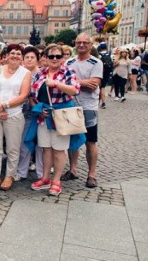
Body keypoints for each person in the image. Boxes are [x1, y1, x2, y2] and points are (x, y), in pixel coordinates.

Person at [29, 44, 81, 196]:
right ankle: (45, 178)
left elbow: (75, 90)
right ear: (45, 57)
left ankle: (56, 180)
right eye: (51, 56)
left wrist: (57, 84)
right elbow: (32, 95)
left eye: (58, 56)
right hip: (44, 116)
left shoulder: (68, 72)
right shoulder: (40, 73)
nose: (54, 59)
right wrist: (38, 109)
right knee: (46, 148)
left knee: (59, 149)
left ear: (63, 57)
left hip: (61, 116)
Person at [0, 44, 31, 192]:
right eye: (13, 53)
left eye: (18, 53)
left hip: (14, 113)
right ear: (7, 55)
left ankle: (9, 175)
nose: (15, 56)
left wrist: (4, 106)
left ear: (22, 57)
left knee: (13, 147)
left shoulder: (25, 73)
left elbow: (23, 95)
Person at [63, 34, 102, 188]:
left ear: (90, 45)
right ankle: (73, 170)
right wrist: (82, 83)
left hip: (89, 107)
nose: (81, 45)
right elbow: (64, 82)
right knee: (73, 140)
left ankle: (92, 174)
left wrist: (74, 83)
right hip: (71, 104)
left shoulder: (96, 62)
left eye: (85, 42)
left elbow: (94, 84)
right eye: (79, 42)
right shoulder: (69, 61)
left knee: (90, 142)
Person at [16, 46, 43, 181]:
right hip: (24, 113)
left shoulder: (42, 74)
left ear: (37, 59)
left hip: (40, 114)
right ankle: (21, 171)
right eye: (27, 57)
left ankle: (41, 173)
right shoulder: (20, 73)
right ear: (23, 59)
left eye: (32, 57)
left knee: (41, 145)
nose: (30, 59)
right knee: (24, 144)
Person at [98, 43, 112, 108]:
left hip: (100, 72)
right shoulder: (109, 54)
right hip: (107, 72)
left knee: (100, 87)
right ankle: (101, 102)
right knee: (102, 87)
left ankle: (101, 102)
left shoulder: (99, 55)